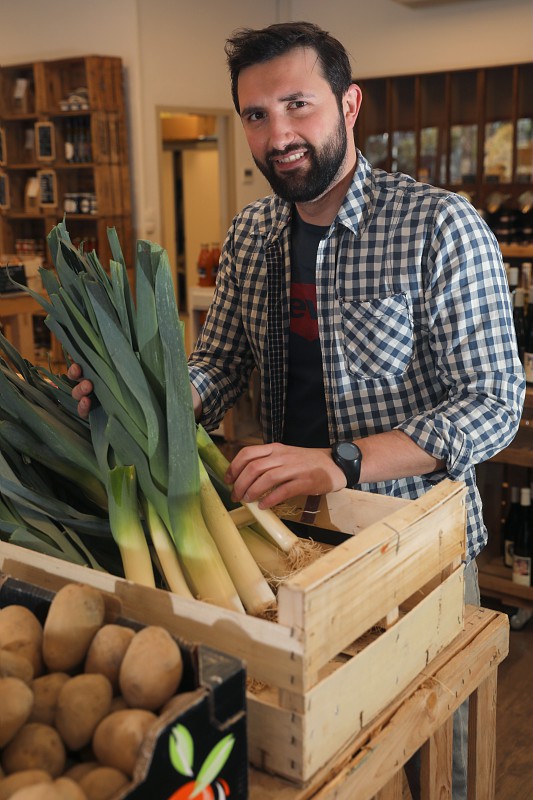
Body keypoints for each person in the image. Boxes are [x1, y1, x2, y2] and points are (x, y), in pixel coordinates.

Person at [71, 21, 525, 798]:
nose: (276, 134)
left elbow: (492, 407)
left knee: (433, 760)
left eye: (296, 105)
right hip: (292, 549)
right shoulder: (252, 235)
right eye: (255, 114)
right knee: (327, 761)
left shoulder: (439, 228)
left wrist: (341, 459)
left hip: (410, 549)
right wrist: (149, 394)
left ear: (349, 105)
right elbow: (219, 364)